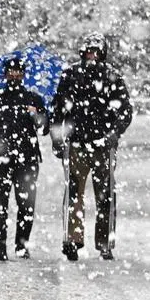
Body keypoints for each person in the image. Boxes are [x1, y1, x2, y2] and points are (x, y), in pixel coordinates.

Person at [50, 32, 132, 261]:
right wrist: (57, 139)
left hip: (103, 146)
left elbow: (125, 111)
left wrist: (114, 133)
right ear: (82, 52)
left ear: (103, 53)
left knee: (105, 195)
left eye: (96, 52)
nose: (91, 56)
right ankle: (72, 240)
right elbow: (58, 110)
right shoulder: (70, 75)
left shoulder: (112, 77)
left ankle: (105, 242)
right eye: (88, 51)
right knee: (74, 194)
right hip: (76, 144)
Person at [0, 56, 49, 261]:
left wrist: (37, 116)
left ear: (24, 75)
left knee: (26, 204)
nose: (14, 75)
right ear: (5, 74)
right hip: (1, 159)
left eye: (18, 72)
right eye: (11, 72)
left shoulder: (33, 99)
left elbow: (45, 129)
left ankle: (22, 244)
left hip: (28, 158)